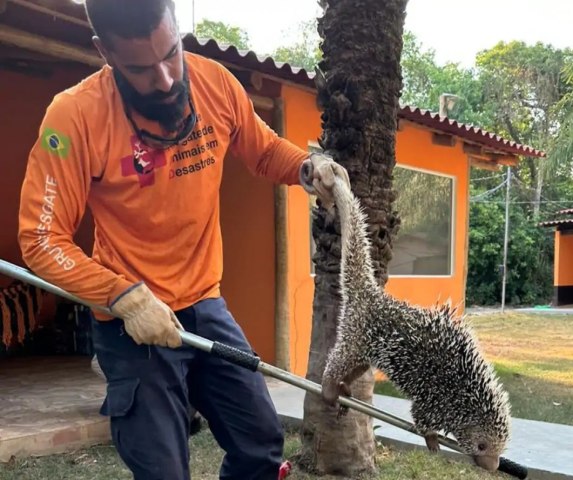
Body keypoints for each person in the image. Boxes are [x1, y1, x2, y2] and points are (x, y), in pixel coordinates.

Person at [16, 1, 349, 479]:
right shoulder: (74, 117)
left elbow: (262, 149)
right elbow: (41, 239)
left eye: (171, 52)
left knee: (260, 442)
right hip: (130, 320)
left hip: (205, 305)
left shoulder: (214, 82)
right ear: (104, 52)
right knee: (164, 469)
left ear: (177, 26)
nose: (167, 79)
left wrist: (305, 167)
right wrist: (122, 298)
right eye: (141, 68)